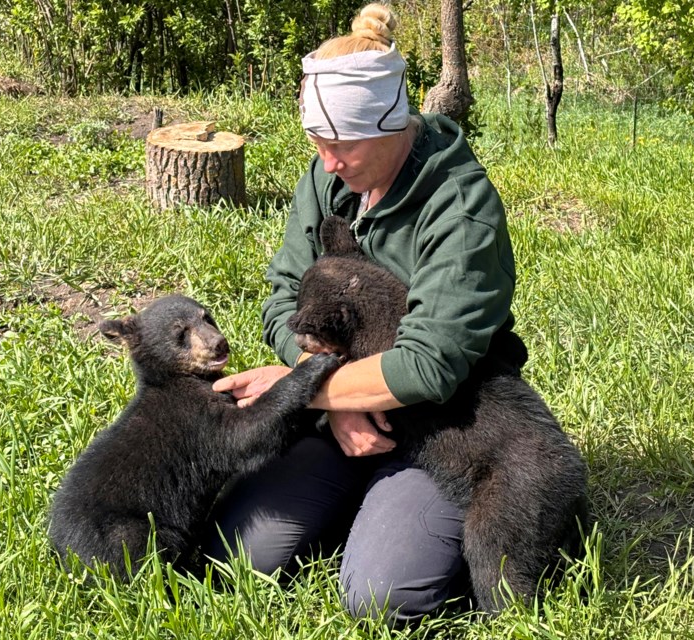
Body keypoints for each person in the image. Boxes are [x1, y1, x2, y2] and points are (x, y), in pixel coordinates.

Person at [208, 2, 527, 626]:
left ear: (392, 124)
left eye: (341, 146)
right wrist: (334, 398)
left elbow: (429, 367)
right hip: (341, 411)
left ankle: (423, 529)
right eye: (317, 145)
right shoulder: (330, 175)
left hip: (446, 427)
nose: (328, 164)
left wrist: (307, 392)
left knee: (385, 598)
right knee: (235, 557)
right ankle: (360, 507)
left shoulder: (459, 205)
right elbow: (284, 298)